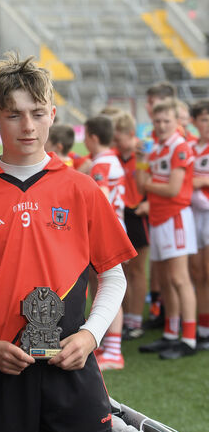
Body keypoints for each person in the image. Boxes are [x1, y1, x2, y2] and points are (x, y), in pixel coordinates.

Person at [0, 53, 135, 432]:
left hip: (68, 367)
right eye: (13, 114)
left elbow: (113, 275)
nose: (27, 125)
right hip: (1, 368)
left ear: (53, 115)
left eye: (37, 112)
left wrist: (90, 336)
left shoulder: (81, 189)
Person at [137, 98, 198, 360]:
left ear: (177, 122)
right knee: (165, 280)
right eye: (157, 121)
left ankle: (189, 338)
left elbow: (174, 189)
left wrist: (150, 184)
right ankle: (171, 334)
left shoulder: (179, 147)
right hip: (159, 218)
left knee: (179, 278)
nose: (161, 125)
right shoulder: (157, 148)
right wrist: (142, 163)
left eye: (167, 121)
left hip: (175, 218)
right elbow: (141, 186)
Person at [84, 114, 127, 370]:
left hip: (106, 231)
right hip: (117, 226)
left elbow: (101, 200)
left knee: (107, 287)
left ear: (92, 137)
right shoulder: (112, 159)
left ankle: (113, 351)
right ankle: (109, 347)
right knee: (105, 285)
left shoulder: (101, 164)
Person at [106, 108, 149, 340]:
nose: (115, 142)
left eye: (118, 137)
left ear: (130, 133)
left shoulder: (143, 153)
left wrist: (149, 204)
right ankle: (121, 318)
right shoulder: (113, 154)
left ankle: (135, 320)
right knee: (121, 271)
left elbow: (147, 185)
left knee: (138, 270)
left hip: (138, 214)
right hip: (119, 215)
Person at [188, 99, 209, 351]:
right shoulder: (191, 148)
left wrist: (200, 181)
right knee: (198, 273)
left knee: (207, 270)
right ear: (194, 122)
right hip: (191, 213)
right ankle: (203, 328)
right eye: (203, 119)